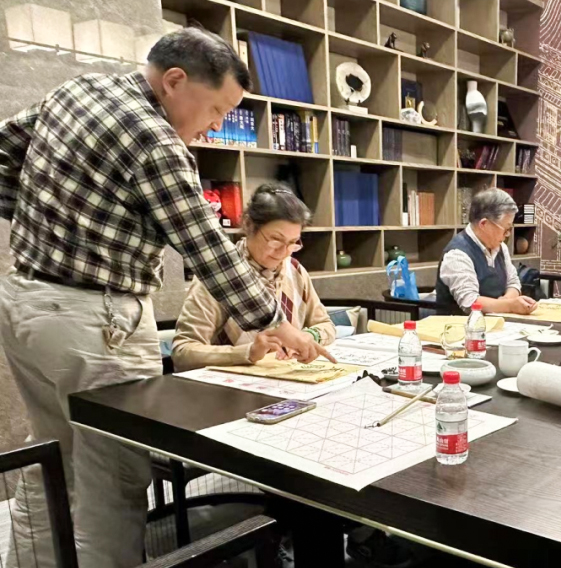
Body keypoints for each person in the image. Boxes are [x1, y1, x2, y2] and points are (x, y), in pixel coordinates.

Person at [0, 28, 331, 568]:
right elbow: (207, 247)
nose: (217, 125)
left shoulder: (77, 90)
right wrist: (277, 321)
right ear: (174, 81)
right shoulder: (155, 139)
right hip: (96, 320)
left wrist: (46, 221)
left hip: (26, 301)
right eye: (217, 108)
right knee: (111, 479)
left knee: (51, 463)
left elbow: (5, 149)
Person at [172, 183, 337, 371]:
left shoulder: (294, 270)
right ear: (249, 225)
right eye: (275, 240)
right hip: (231, 384)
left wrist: (308, 337)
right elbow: (183, 352)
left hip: (284, 377)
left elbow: (326, 325)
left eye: (293, 243)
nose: (283, 252)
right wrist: (248, 352)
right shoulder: (218, 275)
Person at [436, 188, 537, 315]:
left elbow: (513, 282)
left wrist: (506, 301)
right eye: (506, 229)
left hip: (497, 322)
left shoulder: (501, 247)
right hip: (460, 324)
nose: (508, 234)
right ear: (484, 224)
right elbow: (470, 303)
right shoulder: (457, 254)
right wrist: (510, 305)